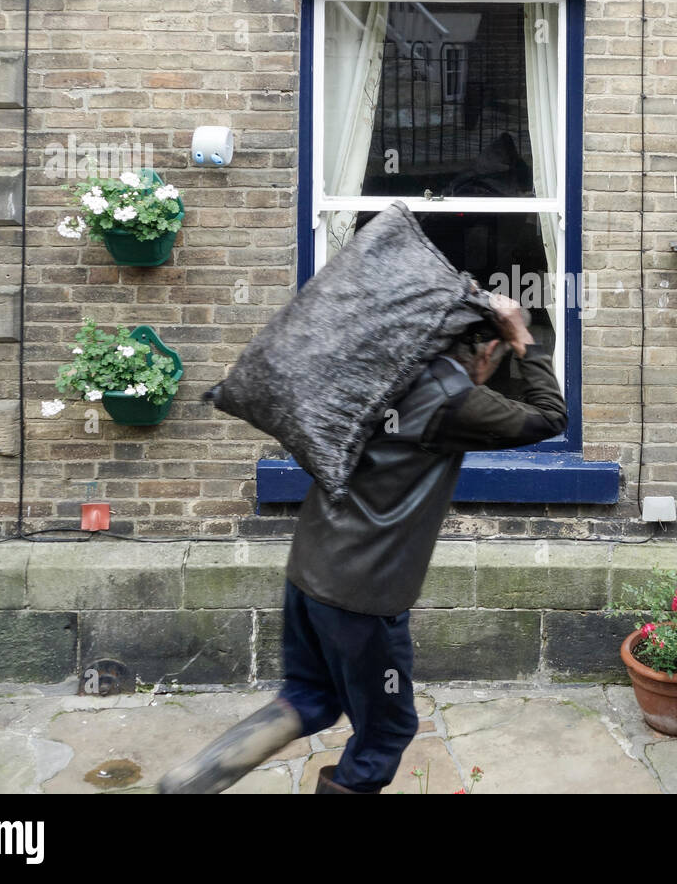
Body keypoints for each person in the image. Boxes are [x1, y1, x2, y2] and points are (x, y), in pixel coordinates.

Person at [159, 292, 566, 794]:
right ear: (485, 352)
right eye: (497, 358)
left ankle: (189, 781)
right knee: (387, 730)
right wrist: (524, 338)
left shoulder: (371, 373)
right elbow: (549, 418)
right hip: (363, 597)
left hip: (308, 572)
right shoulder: (453, 399)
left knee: (309, 698)